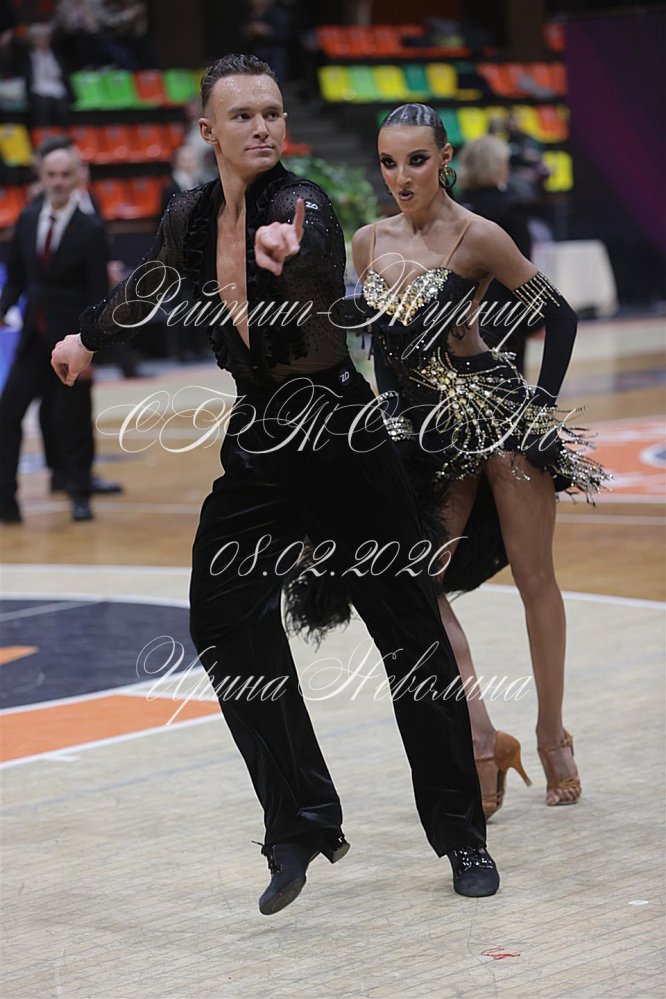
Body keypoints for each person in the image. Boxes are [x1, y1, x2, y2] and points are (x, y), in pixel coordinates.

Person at [50, 55, 500, 913]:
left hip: (343, 437)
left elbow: (313, 256)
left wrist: (280, 257)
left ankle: (460, 832)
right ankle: (298, 821)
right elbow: (150, 281)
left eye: (273, 112)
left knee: (409, 633)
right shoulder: (188, 216)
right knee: (221, 615)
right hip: (261, 434)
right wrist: (87, 338)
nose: (262, 125)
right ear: (207, 130)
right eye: (243, 114)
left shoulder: (304, 205)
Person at [289, 103, 607, 816]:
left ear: (445, 158)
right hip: (425, 432)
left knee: (535, 579)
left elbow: (558, 315)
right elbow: (379, 351)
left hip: (496, 416)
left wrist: (540, 407)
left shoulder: (478, 234)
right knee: (416, 586)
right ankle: (481, 739)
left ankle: (553, 736)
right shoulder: (368, 242)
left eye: (416, 160)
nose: (401, 176)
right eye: (388, 162)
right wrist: (381, 425)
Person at [0, 143, 108, 523]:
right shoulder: (28, 218)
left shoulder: (92, 228)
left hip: (72, 340)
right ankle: (5, 500)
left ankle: (79, 492)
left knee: (72, 418)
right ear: (41, 177)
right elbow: (16, 278)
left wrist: (93, 347)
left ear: (77, 177)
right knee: (7, 413)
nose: (58, 182)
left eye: (65, 175)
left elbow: (98, 294)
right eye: (51, 175)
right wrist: (2, 309)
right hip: (34, 335)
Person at [457, 134, 534, 373]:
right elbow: (523, 267)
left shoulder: (454, 207)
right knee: (508, 379)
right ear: (498, 166)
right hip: (504, 310)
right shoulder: (511, 206)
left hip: (457, 309)